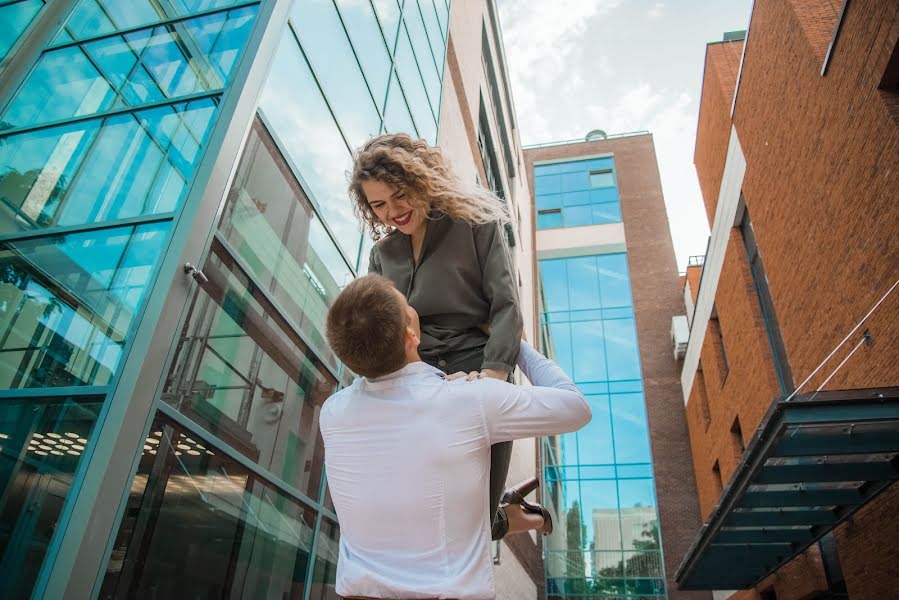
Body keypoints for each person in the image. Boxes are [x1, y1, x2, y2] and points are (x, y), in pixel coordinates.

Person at [321, 275, 591, 599]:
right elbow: (577, 408)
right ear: (410, 335)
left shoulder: (333, 413)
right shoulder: (466, 400)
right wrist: (514, 344)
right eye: (407, 305)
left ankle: (513, 516)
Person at [349, 133, 522, 540]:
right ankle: (510, 514)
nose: (392, 211)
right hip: (415, 381)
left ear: (421, 181)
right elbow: (384, 328)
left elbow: (506, 306)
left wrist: (493, 377)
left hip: (476, 372)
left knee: (476, 514)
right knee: (421, 511)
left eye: (399, 195)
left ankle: (515, 515)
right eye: (378, 204)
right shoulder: (382, 256)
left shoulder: (475, 224)